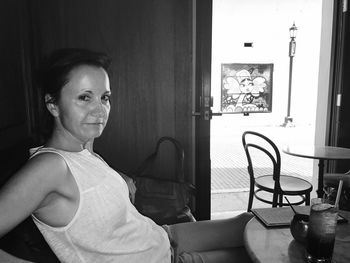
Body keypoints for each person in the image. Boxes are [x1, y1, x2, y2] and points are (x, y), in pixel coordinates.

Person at [0, 48, 253, 263]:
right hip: (161, 259)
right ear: (52, 104)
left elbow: (88, 183)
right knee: (257, 251)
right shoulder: (49, 167)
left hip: (161, 237)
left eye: (105, 98)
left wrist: (120, 179)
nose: (100, 110)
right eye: (84, 97)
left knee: (249, 223)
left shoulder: (83, 147)